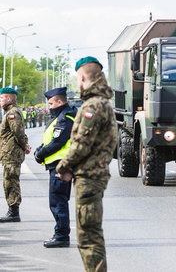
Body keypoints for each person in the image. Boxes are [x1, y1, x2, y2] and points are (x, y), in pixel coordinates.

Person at [56, 56, 117, 271]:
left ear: (82, 77)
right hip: (93, 176)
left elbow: (82, 143)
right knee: (90, 234)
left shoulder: (93, 106)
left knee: (89, 237)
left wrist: (63, 166)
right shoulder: (103, 103)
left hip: (89, 178)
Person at [34, 87, 77, 248]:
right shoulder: (63, 115)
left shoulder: (65, 118)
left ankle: (61, 236)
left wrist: (40, 154)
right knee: (59, 200)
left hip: (61, 165)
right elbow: (51, 139)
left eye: (51, 103)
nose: (49, 107)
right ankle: (61, 234)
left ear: (60, 102)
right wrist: (40, 149)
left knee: (58, 201)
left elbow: (58, 142)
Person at [0, 87, 31, 222]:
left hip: (11, 154)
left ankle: (14, 212)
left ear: (9, 98)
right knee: (9, 181)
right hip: (8, 153)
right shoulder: (9, 112)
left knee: (11, 182)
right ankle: (12, 211)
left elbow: (18, 132)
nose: (0, 100)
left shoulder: (12, 113)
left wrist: (24, 145)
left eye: (1, 97)